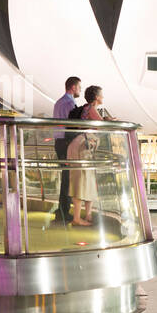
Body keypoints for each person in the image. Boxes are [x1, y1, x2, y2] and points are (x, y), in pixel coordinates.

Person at [68, 85, 108, 226]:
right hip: (81, 148)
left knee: (88, 181)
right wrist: (109, 121)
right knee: (80, 182)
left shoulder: (87, 108)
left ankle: (87, 215)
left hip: (82, 147)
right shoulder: (90, 109)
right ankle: (77, 218)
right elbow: (102, 126)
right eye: (101, 94)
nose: (103, 97)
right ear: (96, 97)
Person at [52, 77, 82, 221]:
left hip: (58, 141)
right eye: (79, 87)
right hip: (67, 142)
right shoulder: (70, 103)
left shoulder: (58, 102)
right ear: (73, 87)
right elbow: (73, 125)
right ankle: (64, 211)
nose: (80, 90)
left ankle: (61, 209)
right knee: (68, 178)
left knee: (65, 176)